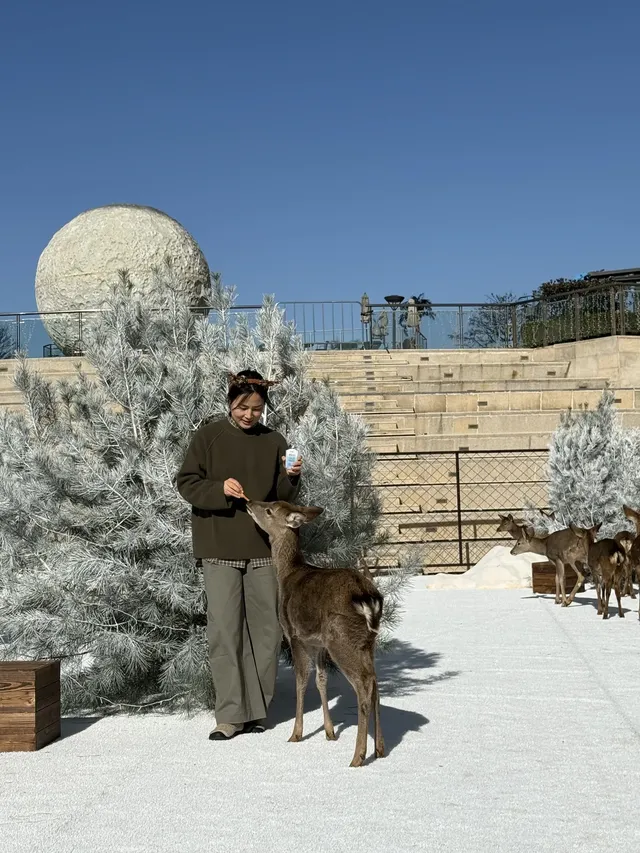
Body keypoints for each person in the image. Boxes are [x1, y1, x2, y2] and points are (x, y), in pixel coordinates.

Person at [176, 370, 302, 740]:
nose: (249, 414)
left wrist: (291, 476)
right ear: (230, 401)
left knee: (266, 633)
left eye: (257, 408)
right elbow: (186, 482)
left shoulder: (274, 440)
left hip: (265, 550)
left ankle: (257, 710)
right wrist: (219, 488)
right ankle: (230, 715)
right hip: (219, 548)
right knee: (225, 632)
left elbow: (282, 497)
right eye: (243, 406)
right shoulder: (209, 436)